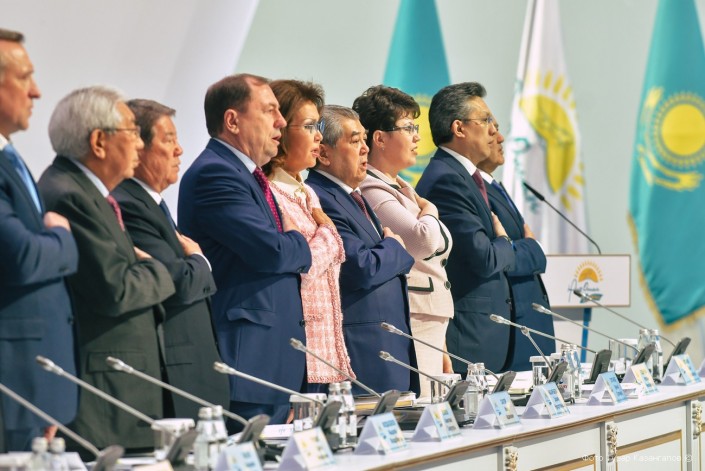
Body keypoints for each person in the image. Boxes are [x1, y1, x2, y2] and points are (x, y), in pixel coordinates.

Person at [38, 86, 176, 452]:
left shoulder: (87, 191)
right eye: (133, 133)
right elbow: (117, 289)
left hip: (121, 387)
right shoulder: (69, 195)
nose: (140, 145)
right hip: (105, 396)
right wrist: (159, 269)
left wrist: (143, 267)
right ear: (99, 142)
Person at [178, 74, 311, 431]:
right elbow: (272, 252)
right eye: (269, 111)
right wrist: (298, 240)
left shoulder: (247, 175)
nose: (281, 121)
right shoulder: (216, 174)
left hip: (272, 361)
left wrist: (290, 242)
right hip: (246, 363)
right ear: (232, 121)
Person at [112, 99, 230, 419]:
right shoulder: (128, 204)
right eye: (168, 140)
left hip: (195, 371)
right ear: (138, 147)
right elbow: (178, 281)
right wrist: (200, 260)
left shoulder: (152, 203)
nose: (179, 150)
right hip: (176, 376)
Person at [0, 28, 78, 452]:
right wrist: (61, 235)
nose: (36, 91)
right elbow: (25, 256)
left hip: (35, 381)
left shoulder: (11, 158)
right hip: (13, 384)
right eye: (24, 77)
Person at [306, 105, 419, 395]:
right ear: (324, 153)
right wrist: (395, 246)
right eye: (355, 141)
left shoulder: (352, 196)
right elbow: (360, 266)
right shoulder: (320, 197)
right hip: (362, 353)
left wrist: (392, 251)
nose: (365, 149)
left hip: (388, 349)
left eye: (364, 139)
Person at [354, 85, 454, 398]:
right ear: (379, 138)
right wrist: (431, 210)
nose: (417, 138)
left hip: (429, 319)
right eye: (408, 128)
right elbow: (421, 241)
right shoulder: (371, 188)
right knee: (420, 411)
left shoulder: (401, 187)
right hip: (412, 317)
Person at [416, 82, 515, 374]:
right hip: (469, 338)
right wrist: (505, 242)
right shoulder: (446, 180)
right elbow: (483, 258)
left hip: (486, 336)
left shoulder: (465, 176)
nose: (494, 131)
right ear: (459, 128)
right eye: (485, 121)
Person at [263, 80, 354, 390]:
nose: (318, 136)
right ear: (280, 130)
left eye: (319, 127)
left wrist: (327, 239)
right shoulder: (270, 192)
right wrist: (328, 232)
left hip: (325, 348)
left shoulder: (308, 192)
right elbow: (302, 263)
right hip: (295, 347)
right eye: (309, 126)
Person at [477, 124, 554, 371]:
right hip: (511, 328)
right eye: (490, 132)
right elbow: (494, 253)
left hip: (528, 321)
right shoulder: (474, 192)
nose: (500, 138)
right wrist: (534, 248)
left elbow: (508, 247)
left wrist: (524, 246)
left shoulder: (494, 186)